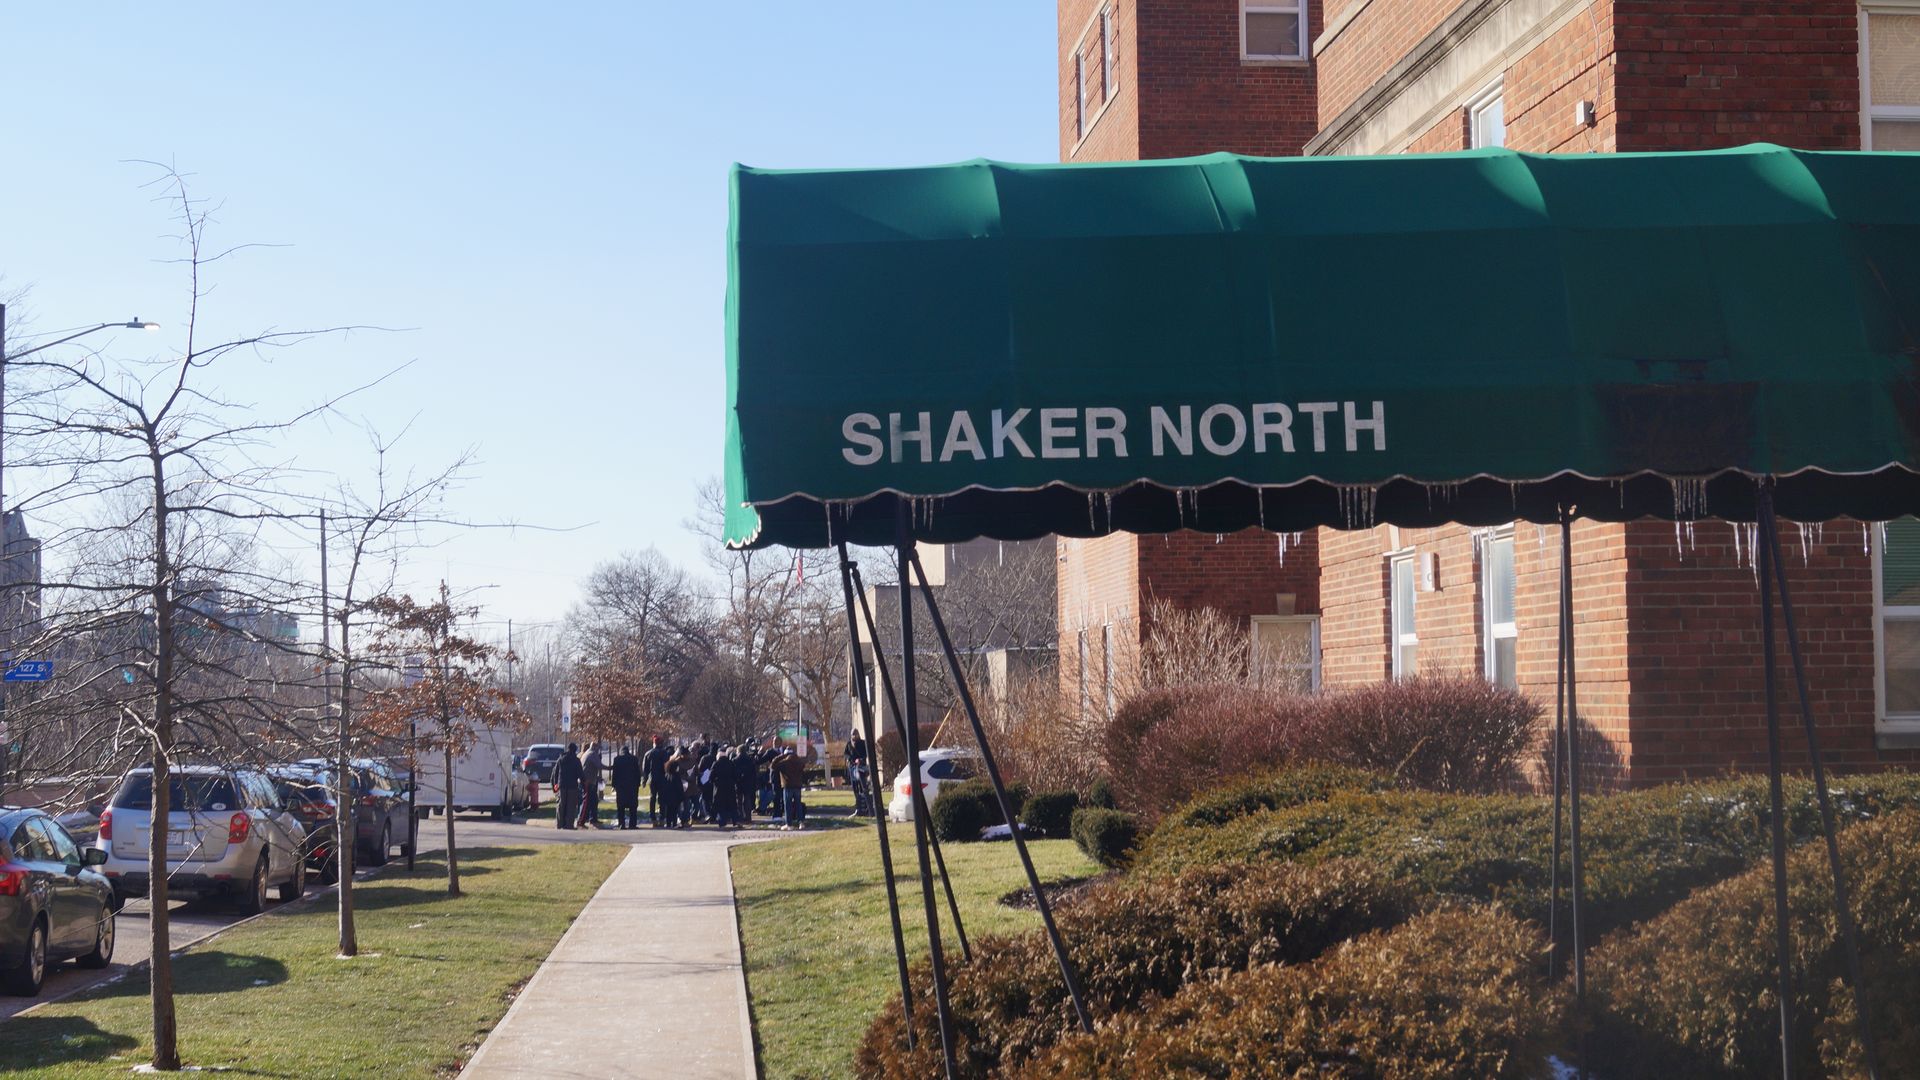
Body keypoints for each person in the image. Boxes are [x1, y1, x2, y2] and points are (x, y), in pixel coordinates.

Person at [774, 746, 809, 830]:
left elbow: (773, 765)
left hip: (787, 786)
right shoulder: (799, 762)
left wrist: (781, 756)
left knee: (788, 805)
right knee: (798, 805)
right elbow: (803, 766)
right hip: (797, 786)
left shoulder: (784, 763)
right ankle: (801, 822)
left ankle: (789, 824)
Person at [610, 744, 641, 830]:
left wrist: (613, 785)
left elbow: (615, 774)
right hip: (632, 785)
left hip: (621, 786)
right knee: (633, 806)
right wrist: (638, 784)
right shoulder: (634, 759)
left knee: (620, 806)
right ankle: (632, 824)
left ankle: (621, 824)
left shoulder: (617, 759)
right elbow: (638, 773)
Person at [642, 735, 669, 826]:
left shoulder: (648, 753)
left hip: (652, 778)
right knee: (662, 799)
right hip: (662, 778)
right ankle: (662, 818)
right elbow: (667, 767)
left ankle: (653, 818)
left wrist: (644, 780)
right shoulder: (664, 753)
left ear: (654, 743)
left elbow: (645, 769)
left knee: (652, 798)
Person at [555, 743, 583, 830]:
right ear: (574, 750)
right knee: (571, 806)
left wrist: (556, 783)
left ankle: (560, 824)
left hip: (562, 785)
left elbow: (556, 772)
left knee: (561, 805)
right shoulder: (576, 760)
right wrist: (583, 780)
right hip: (572, 786)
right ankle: (569, 824)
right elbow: (580, 773)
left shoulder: (561, 759)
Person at [578, 744, 605, 828]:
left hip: (591, 781)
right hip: (587, 782)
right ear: (594, 747)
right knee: (586, 802)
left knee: (594, 800)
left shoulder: (589, 753)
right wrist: (611, 768)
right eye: (598, 748)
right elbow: (599, 765)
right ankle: (580, 821)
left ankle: (593, 819)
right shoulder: (591, 754)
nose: (598, 751)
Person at [845, 730, 871, 816]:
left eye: (856, 734)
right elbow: (846, 754)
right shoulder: (849, 744)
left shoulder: (863, 743)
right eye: (853, 734)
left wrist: (861, 759)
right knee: (855, 786)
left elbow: (866, 753)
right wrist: (850, 759)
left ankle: (865, 807)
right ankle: (858, 806)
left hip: (861, 768)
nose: (854, 736)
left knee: (863, 787)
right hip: (852, 768)